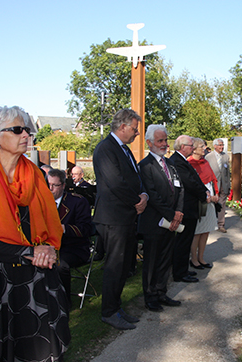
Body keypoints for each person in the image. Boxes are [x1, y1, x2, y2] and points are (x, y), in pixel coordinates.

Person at [0, 106, 69, 362]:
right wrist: (29, 251)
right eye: (17, 129)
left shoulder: (36, 176)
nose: (26, 134)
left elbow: (51, 224)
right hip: (0, 280)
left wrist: (46, 250)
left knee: (51, 357)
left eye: (27, 129)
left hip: (40, 275)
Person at [92, 109, 147, 330]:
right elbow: (115, 183)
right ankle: (109, 312)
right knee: (115, 265)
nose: (136, 134)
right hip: (113, 218)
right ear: (122, 126)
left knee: (125, 265)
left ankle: (116, 307)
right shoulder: (106, 149)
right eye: (134, 129)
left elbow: (135, 177)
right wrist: (137, 201)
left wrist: (144, 195)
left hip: (126, 216)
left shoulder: (124, 150)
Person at [138, 125, 184, 312]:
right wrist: (171, 214)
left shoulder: (170, 164)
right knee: (152, 261)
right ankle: (150, 296)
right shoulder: (145, 166)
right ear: (149, 143)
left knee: (166, 259)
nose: (164, 144)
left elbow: (180, 189)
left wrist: (179, 212)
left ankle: (161, 292)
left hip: (171, 222)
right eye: (160, 141)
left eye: (165, 140)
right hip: (154, 223)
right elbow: (152, 195)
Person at [47, 168, 92, 306]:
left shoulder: (77, 202)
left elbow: (86, 229)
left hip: (74, 248)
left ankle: (63, 302)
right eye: (48, 184)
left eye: (55, 185)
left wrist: (64, 229)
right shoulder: (42, 201)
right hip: (49, 246)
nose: (50, 188)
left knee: (59, 265)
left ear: (63, 185)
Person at [169, 135, 209, 283]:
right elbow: (189, 183)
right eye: (190, 145)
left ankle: (183, 269)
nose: (193, 148)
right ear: (182, 147)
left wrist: (205, 190)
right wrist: (203, 195)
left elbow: (196, 179)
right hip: (184, 207)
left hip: (189, 207)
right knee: (182, 241)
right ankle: (179, 273)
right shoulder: (177, 162)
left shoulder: (181, 160)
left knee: (186, 240)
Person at [188, 138, 219, 270]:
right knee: (197, 232)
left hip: (210, 200)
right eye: (201, 146)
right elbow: (192, 185)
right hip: (199, 202)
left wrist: (216, 194)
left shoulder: (205, 162)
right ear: (193, 149)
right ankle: (193, 259)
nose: (204, 148)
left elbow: (213, 179)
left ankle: (201, 257)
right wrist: (204, 196)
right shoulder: (189, 163)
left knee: (206, 231)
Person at [205, 138, 230, 233]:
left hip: (223, 184)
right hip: (212, 184)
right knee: (211, 204)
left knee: (222, 204)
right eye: (219, 145)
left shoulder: (226, 157)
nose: (221, 147)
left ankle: (221, 224)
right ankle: (209, 223)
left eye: (222, 145)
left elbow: (228, 173)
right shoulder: (208, 157)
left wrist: (228, 185)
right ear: (214, 146)